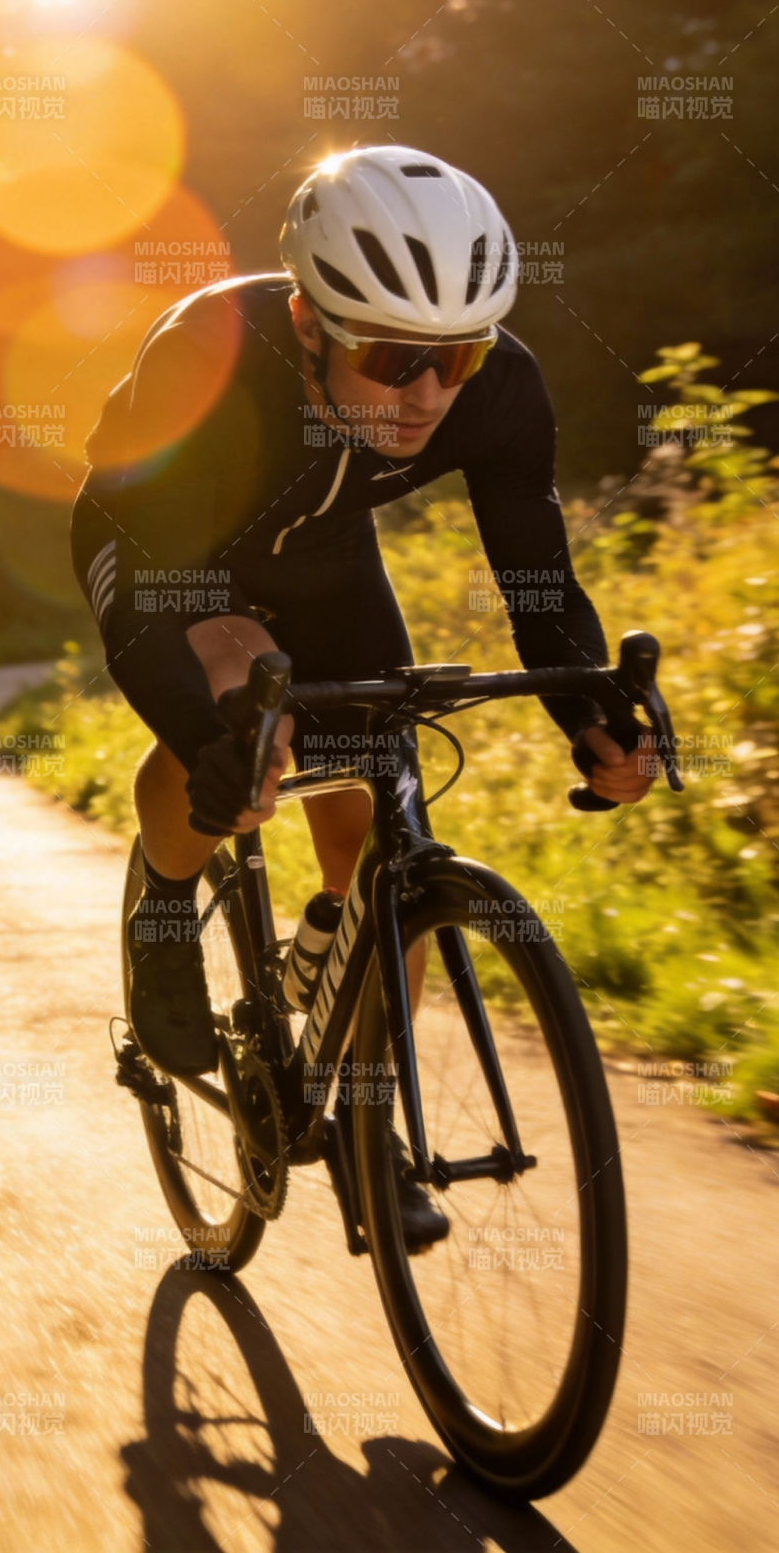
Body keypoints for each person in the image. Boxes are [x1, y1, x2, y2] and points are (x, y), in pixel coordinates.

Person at [71, 144, 653, 1090]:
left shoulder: (500, 386)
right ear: (308, 321)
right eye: (390, 358)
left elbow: (538, 580)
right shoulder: (206, 360)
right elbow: (154, 602)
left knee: (384, 835)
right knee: (241, 703)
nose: (427, 395)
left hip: (321, 558)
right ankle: (166, 913)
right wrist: (210, 745)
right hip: (164, 548)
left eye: (456, 359)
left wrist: (590, 710)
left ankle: (372, 1130)